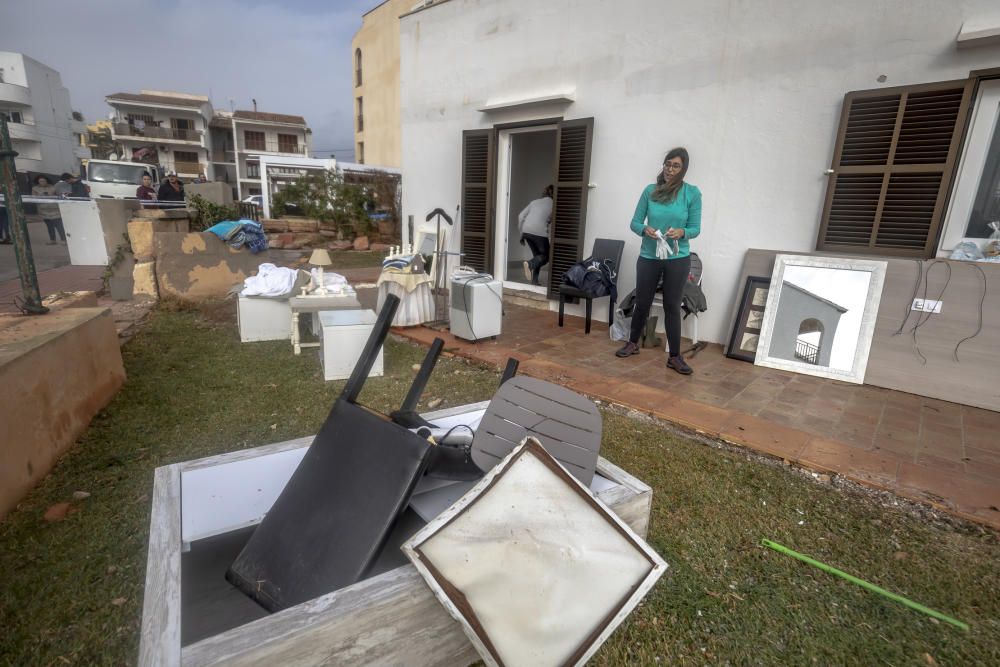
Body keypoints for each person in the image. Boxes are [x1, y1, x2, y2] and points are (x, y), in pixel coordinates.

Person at [616, 148, 702, 375]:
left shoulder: (691, 193)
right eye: (667, 164)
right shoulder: (650, 191)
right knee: (642, 302)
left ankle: (674, 357)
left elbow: (695, 228)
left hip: (678, 258)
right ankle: (632, 343)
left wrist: (682, 232)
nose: (670, 169)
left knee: (672, 306)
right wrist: (645, 229)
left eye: (675, 166)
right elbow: (634, 222)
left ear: (683, 170)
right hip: (649, 257)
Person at [517, 184, 553, 285]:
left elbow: (520, 216)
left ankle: (535, 281)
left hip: (526, 231)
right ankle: (529, 264)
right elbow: (551, 219)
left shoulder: (534, 202)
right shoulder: (555, 204)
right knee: (546, 256)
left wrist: (522, 234)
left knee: (538, 257)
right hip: (539, 233)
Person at [32, 175, 66, 244]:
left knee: (59, 225)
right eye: (40, 181)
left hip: (55, 209)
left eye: (43, 181)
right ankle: (52, 240)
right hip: (43, 209)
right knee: (49, 226)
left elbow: (59, 196)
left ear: (47, 181)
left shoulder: (53, 187)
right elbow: (33, 198)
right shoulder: (35, 188)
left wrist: (51, 196)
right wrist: (40, 196)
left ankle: (63, 240)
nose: (42, 182)